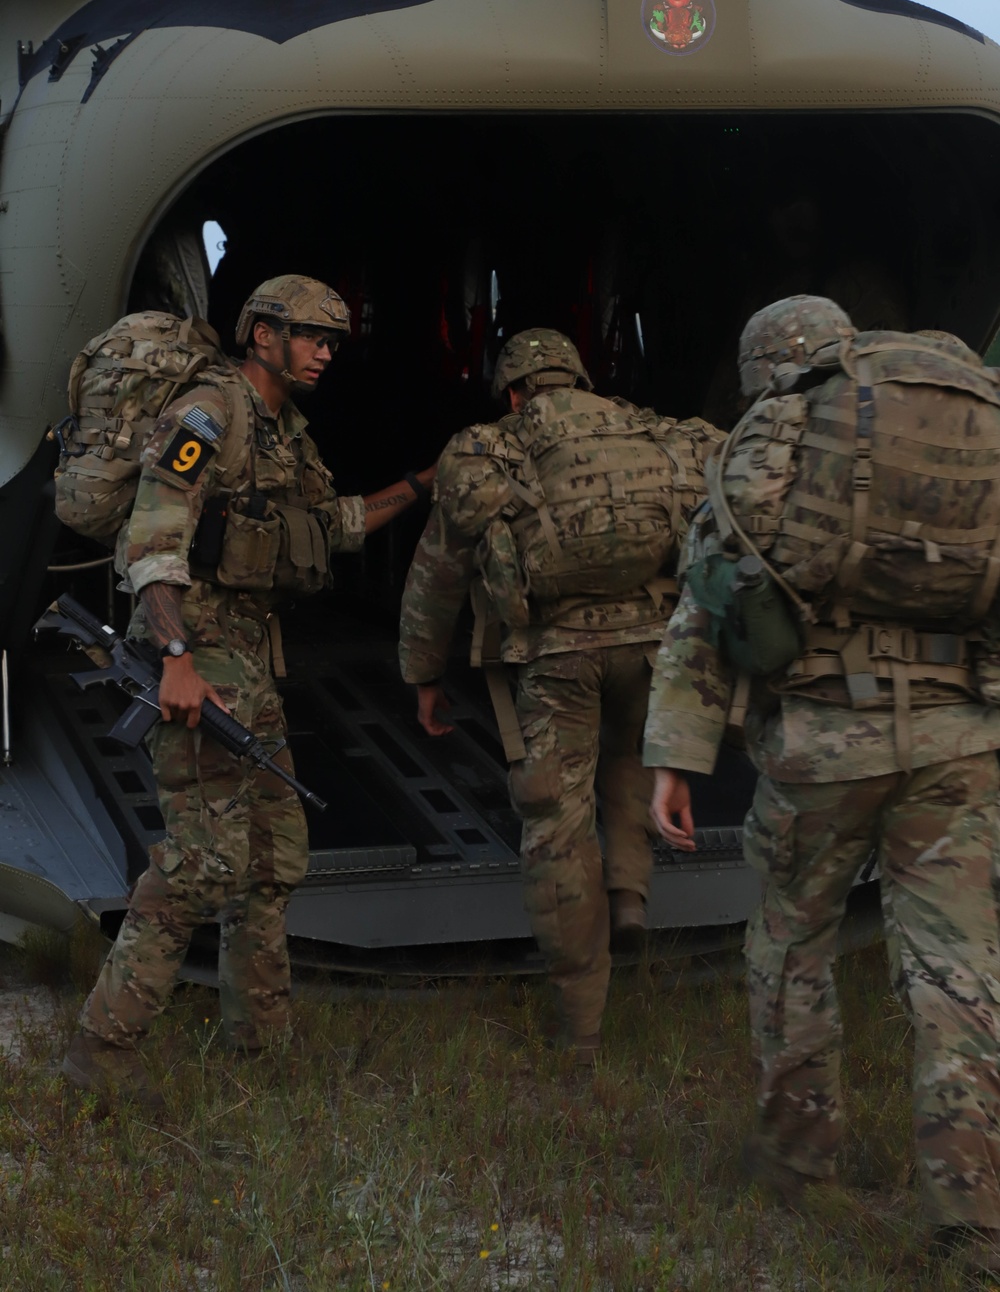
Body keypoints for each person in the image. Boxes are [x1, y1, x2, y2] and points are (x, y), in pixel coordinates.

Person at [645, 296, 1000, 1270]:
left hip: (823, 741)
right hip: (958, 739)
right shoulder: (964, 411)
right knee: (958, 970)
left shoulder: (784, 420)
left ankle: (797, 1160)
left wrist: (675, 758)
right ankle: (974, 1214)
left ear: (766, 363)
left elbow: (709, 592)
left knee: (791, 941)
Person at [61, 274, 436, 1103]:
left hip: (251, 662)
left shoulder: (284, 430)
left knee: (270, 860)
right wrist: (178, 659)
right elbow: (154, 539)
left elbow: (328, 524)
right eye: (309, 334)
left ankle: (261, 1046)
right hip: (199, 654)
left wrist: (418, 485)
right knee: (202, 862)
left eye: (334, 339)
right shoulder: (209, 412)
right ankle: (102, 1048)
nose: (325, 351)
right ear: (261, 335)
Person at [398, 328, 721, 1064]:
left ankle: (581, 1026)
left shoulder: (488, 449)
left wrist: (423, 673)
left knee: (556, 824)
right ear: (581, 378)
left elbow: (438, 574)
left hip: (556, 658)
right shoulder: (655, 431)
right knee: (633, 753)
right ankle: (631, 894)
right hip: (656, 647)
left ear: (514, 391)